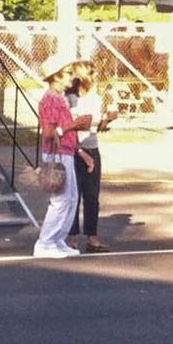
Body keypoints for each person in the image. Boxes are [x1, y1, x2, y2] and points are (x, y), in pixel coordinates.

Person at [34, 54, 92, 259]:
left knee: (71, 198)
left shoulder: (60, 99)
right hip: (56, 154)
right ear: (56, 76)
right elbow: (49, 133)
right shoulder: (50, 99)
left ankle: (58, 238)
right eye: (67, 73)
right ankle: (45, 242)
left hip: (65, 152)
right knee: (61, 199)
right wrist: (74, 125)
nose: (71, 77)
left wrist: (80, 151)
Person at [68, 66, 116, 252]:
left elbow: (97, 126)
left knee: (92, 195)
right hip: (75, 148)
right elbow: (71, 124)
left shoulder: (95, 98)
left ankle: (92, 236)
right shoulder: (71, 98)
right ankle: (72, 237)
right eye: (91, 72)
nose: (95, 75)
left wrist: (108, 120)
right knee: (74, 195)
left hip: (92, 146)